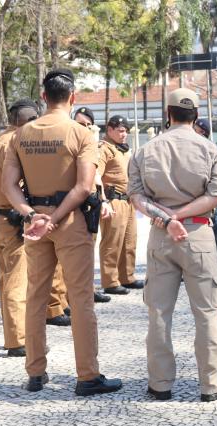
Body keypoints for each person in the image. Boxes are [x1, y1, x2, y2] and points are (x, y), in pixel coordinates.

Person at [0, 68, 123, 397]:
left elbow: (8, 185)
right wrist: (54, 217)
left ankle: (35, 373)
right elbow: (84, 186)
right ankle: (87, 375)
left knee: (36, 297)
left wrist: (32, 215)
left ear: (43, 97)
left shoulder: (20, 135)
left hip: (36, 225)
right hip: (69, 221)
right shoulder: (81, 134)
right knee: (80, 299)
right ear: (73, 98)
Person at [128, 88, 217, 402]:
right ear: (197, 115)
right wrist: (181, 214)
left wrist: (166, 217)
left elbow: (137, 197)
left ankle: (160, 384)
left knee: (159, 313)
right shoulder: (209, 150)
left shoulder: (145, 151)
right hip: (198, 233)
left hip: (161, 236)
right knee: (206, 312)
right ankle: (212, 384)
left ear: (168, 113)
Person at [0, 100, 39, 356]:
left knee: (5, 279)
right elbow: (13, 185)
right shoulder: (12, 145)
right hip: (12, 219)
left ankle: (11, 335)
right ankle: (18, 341)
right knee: (17, 280)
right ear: (26, 123)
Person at [97, 115, 143, 295]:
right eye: (120, 131)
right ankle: (110, 281)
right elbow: (96, 176)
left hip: (128, 200)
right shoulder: (104, 148)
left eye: (126, 131)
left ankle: (127, 276)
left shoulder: (123, 149)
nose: (124, 134)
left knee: (130, 241)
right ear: (109, 130)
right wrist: (103, 201)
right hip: (114, 200)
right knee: (112, 242)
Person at [73, 106, 112, 303]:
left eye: (88, 125)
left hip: (92, 203)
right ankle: (63, 299)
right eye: (81, 124)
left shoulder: (93, 147)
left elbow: (97, 177)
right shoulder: (70, 144)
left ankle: (89, 289)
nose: (85, 128)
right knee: (73, 255)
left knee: (89, 249)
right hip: (75, 204)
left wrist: (103, 200)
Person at [194, 118, 217, 270]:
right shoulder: (188, 149)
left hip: (211, 199)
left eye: (195, 128)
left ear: (202, 132)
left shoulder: (211, 150)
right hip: (193, 199)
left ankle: (215, 259)